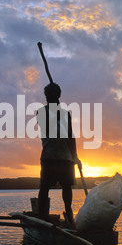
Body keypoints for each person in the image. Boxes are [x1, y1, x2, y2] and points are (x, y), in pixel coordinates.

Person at [36, 82, 81, 227]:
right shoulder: (41, 112)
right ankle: (41, 216)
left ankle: (69, 215)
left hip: (64, 157)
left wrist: (76, 157)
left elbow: (70, 137)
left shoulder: (65, 114)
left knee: (66, 186)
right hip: (50, 155)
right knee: (44, 187)